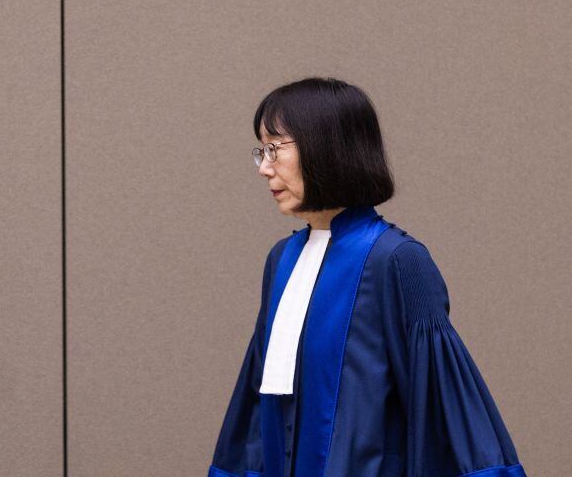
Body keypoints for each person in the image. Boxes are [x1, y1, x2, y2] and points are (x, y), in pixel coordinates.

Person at [208, 77, 526, 477]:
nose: (264, 167)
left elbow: (444, 411)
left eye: (275, 148)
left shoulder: (396, 260)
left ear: (326, 147)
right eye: (262, 150)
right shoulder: (282, 261)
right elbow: (257, 410)